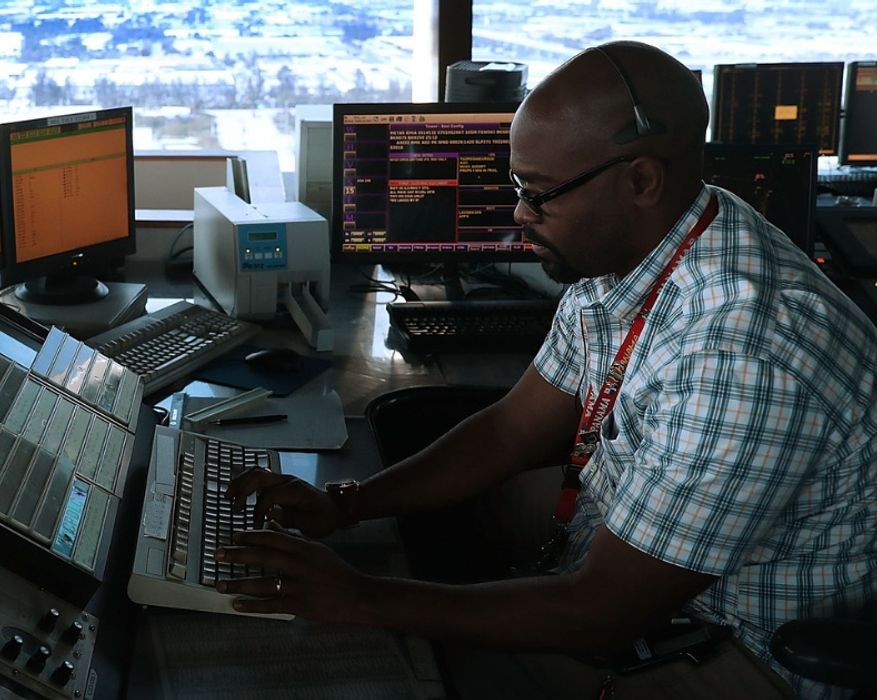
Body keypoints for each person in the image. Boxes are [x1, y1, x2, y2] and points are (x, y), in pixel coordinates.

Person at [219, 41, 877, 699]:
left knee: (346, 668)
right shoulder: (645, 244)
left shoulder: (742, 355)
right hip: (629, 566)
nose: (518, 214)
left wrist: (361, 599)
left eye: (538, 194)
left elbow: (600, 615)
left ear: (641, 180)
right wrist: (346, 505)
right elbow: (510, 429)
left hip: (733, 648)